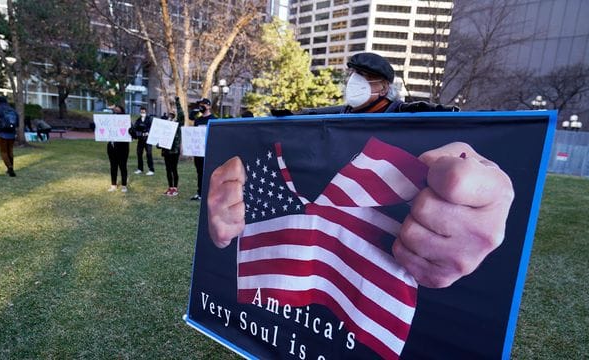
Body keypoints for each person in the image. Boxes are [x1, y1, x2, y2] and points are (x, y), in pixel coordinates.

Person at [206, 52, 515, 289]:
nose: (354, 82)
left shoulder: (408, 115)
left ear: (384, 87)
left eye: (365, 77)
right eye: (353, 74)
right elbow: (308, 119)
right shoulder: (342, 114)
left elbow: (447, 130)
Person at [189, 98, 217, 201]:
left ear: (209, 106)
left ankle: (209, 193)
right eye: (200, 104)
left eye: (204, 105)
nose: (202, 106)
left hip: (208, 151)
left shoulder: (213, 120)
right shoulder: (198, 120)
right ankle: (200, 192)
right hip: (198, 151)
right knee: (199, 172)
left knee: (208, 173)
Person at [0, 96, 18, 177]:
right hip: (12, 134)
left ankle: (10, 168)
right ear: (6, 101)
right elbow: (18, 122)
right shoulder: (12, 109)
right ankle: (11, 167)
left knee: (3, 152)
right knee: (10, 151)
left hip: (1, 133)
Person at [107, 105, 129, 192]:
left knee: (123, 166)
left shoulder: (126, 121)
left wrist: (131, 131)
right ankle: (113, 184)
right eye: (114, 111)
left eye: (118, 111)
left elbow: (134, 134)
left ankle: (124, 185)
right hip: (111, 147)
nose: (116, 112)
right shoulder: (109, 120)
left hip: (123, 148)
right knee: (113, 166)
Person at [162, 112, 184, 196]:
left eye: (171, 116)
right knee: (168, 169)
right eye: (169, 116)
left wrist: (177, 101)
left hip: (174, 151)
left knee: (173, 169)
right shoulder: (164, 127)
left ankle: (175, 188)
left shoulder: (177, 126)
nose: (169, 117)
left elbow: (181, 116)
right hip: (166, 151)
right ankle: (170, 187)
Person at [132, 106, 155, 175]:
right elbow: (135, 128)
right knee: (139, 154)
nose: (142, 113)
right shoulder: (138, 120)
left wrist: (147, 132)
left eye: (143, 112)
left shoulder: (149, 119)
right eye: (141, 112)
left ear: (146, 112)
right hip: (140, 139)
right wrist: (136, 133)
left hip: (148, 140)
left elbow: (152, 127)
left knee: (149, 154)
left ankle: (151, 169)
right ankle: (140, 169)